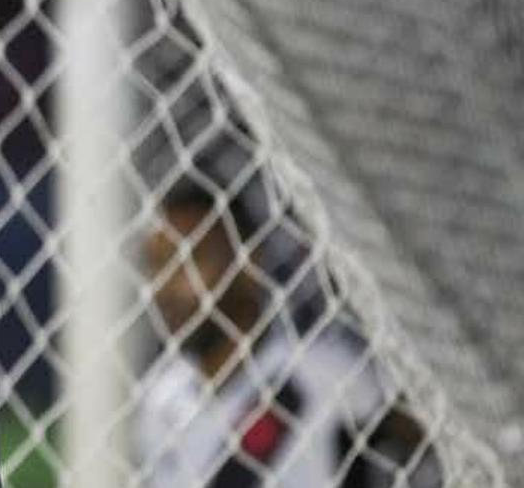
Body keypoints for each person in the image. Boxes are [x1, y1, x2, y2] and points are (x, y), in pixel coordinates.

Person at [136, 180, 439, 488]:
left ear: (247, 262)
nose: (165, 286)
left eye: (187, 259)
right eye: (156, 264)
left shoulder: (320, 370)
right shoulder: (160, 400)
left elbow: (421, 442)